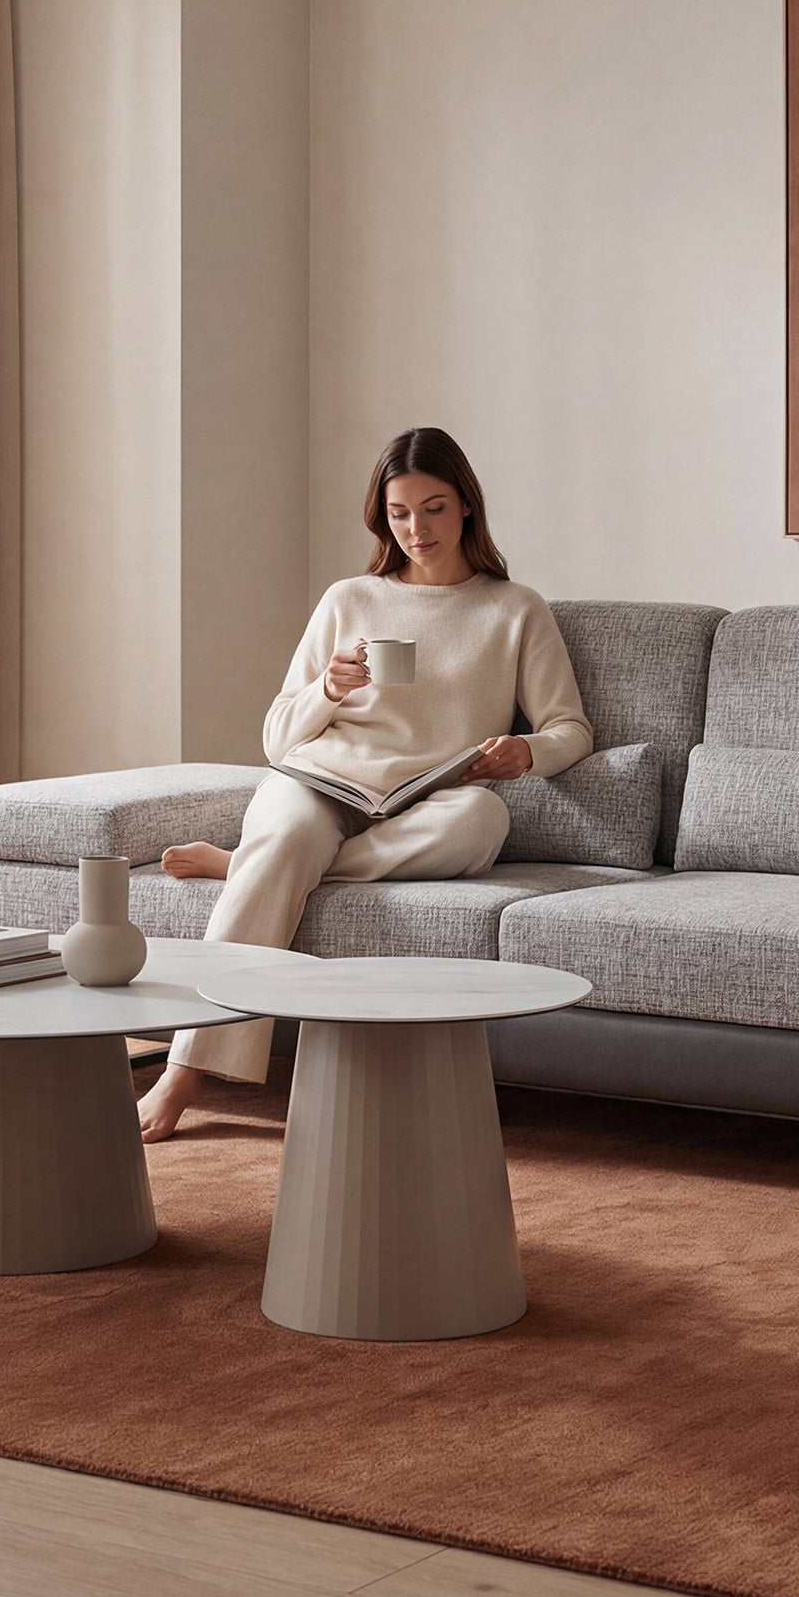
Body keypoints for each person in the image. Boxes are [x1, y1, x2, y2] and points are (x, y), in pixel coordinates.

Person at [138, 427, 592, 1142]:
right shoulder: (348, 599)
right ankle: (184, 1072)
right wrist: (328, 688)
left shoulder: (514, 609)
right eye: (400, 513)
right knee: (290, 830)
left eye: (434, 509)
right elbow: (279, 738)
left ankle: (256, 864)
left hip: (427, 798)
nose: (417, 529)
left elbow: (571, 728)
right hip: (322, 781)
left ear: (466, 506)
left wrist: (525, 752)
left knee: (483, 819)